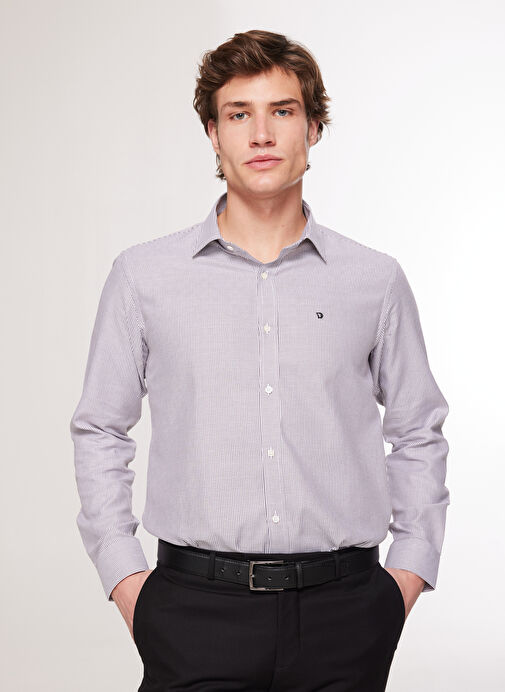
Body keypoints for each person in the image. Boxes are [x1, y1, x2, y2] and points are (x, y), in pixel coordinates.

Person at [70, 29, 450, 692]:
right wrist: (127, 580)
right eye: (238, 114)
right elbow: (100, 427)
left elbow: (418, 429)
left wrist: (405, 576)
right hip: (192, 612)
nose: (262, 134)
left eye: (282, 110)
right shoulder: (143, 277)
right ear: (213, 135)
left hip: (346, 613)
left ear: (313, 127)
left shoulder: (374, 280)